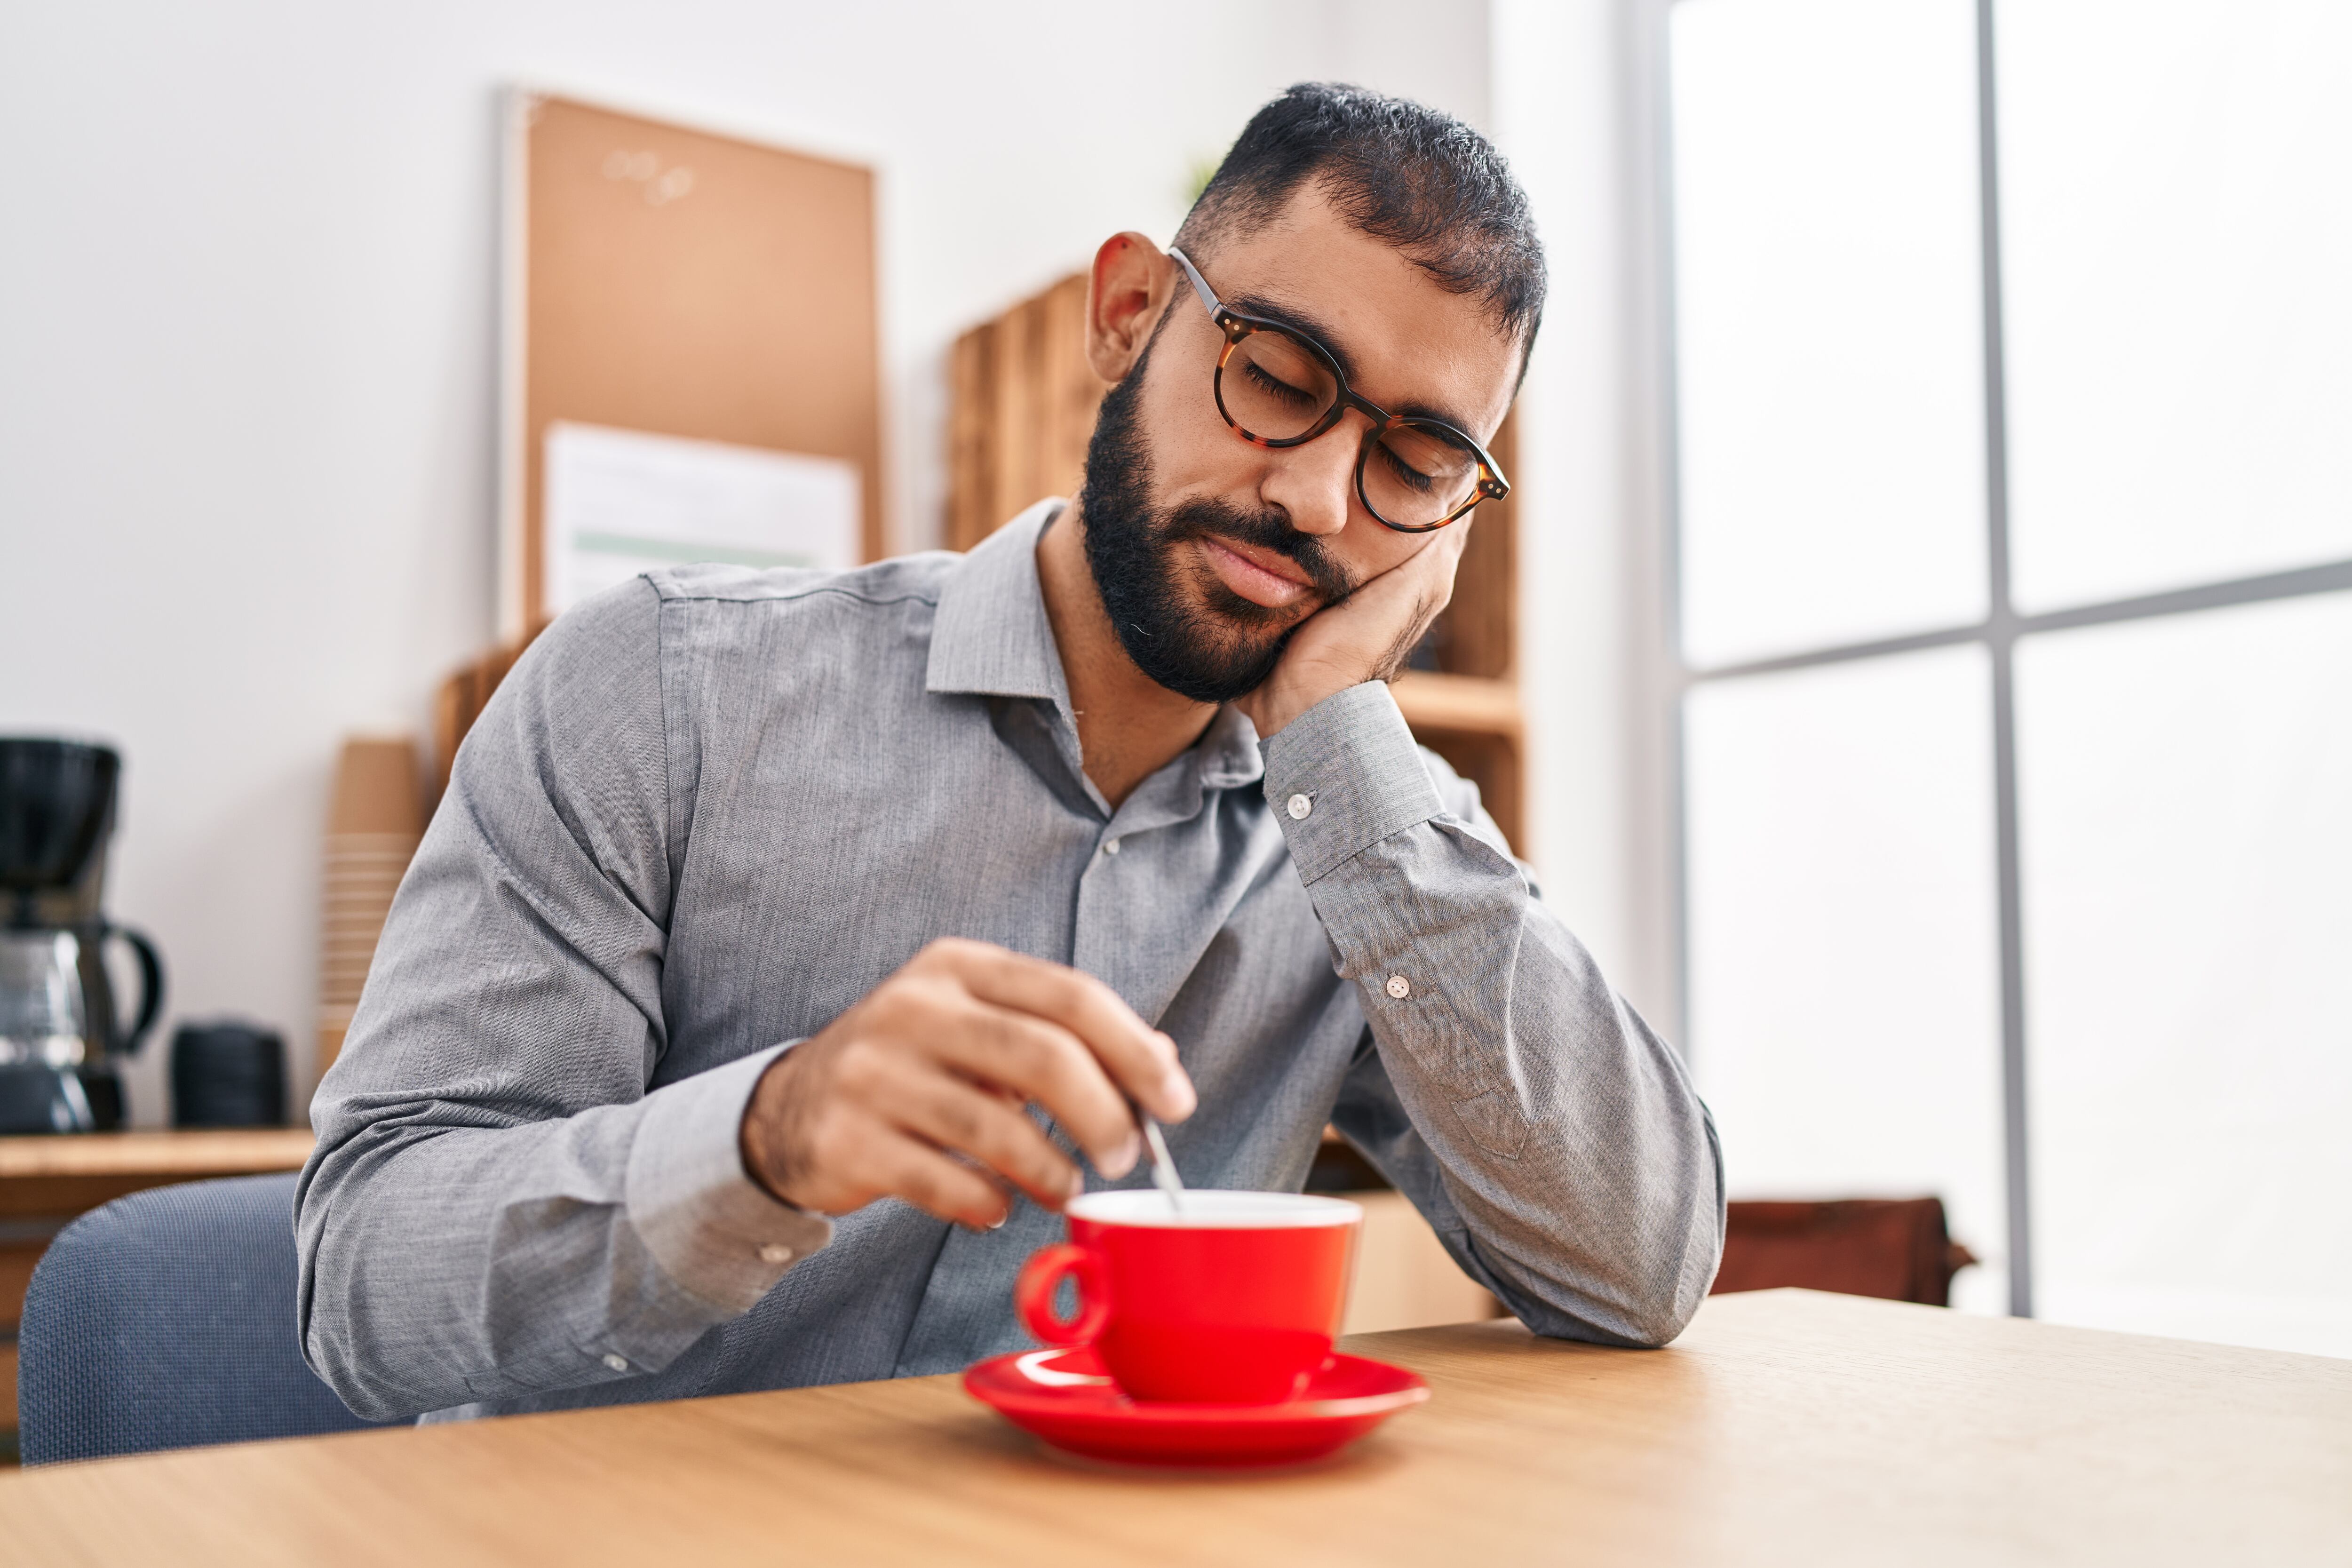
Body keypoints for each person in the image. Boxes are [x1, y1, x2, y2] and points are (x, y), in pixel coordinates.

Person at [298, 82, 1723, 1423]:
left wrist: (1351, 734)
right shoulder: (659, 690)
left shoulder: (1366, 842)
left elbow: (1639, 1270)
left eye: (1414, 464)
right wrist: (766, 1141)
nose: (1314, 496)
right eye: (1281, 375)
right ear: (1128, 314)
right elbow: (362, 1284)